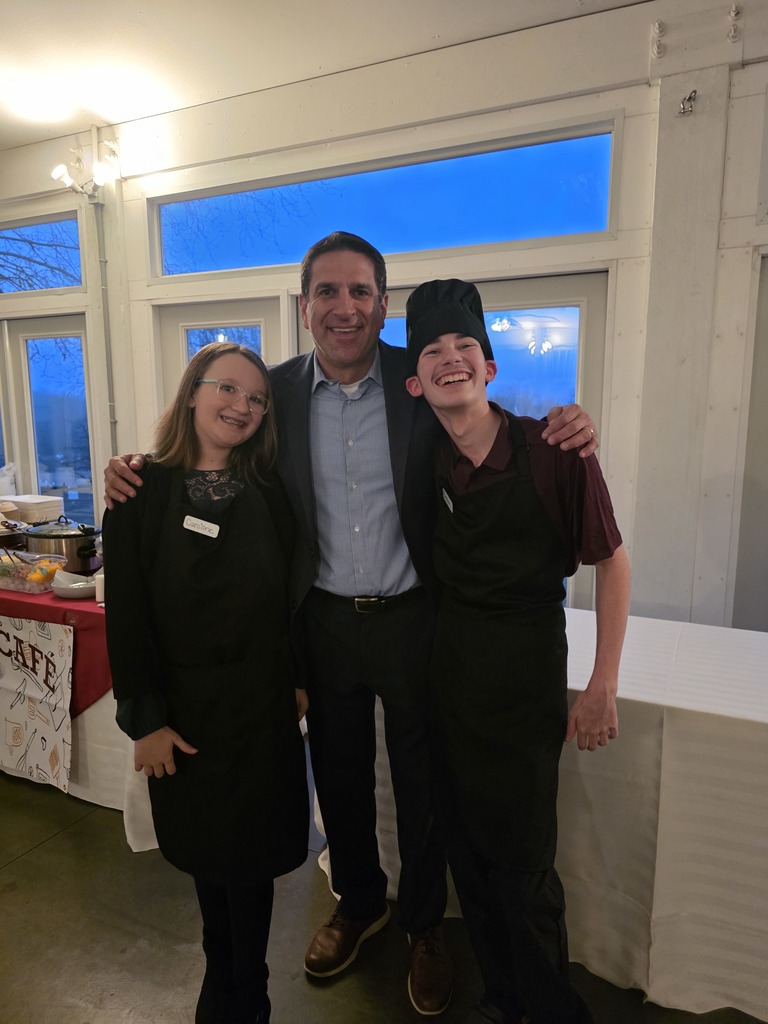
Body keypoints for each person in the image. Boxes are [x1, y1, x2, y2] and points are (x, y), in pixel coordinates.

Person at [104, 231, 600, 1018]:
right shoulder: (273, 393)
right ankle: (359, 901)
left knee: (422, 781)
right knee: (339, 778)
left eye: (361, 292)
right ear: (305, 309)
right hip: (322, 621)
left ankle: (424, 924)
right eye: (327, 293)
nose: (345, 307)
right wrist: (135, 467)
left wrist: (560, 424)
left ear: (381, 305)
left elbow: (481, 409)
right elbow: (207, 448)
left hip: (415, 618)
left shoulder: (417, 375)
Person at [403, 279, 631, 1024]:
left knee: (525, 867)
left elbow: (612, 562)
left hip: (526, 673)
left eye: (466, 345)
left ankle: (550, 1009)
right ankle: (503, 998)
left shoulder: (557, 451)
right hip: (448, 674)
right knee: (465, 853)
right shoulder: (427, 460)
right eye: (433, 350)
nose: (451, 358)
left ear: (491, 367)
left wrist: (602, 684)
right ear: (416, 381)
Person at [102, 342, 309, 1024]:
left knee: (251, 865)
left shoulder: (273, 489)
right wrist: (146, 719)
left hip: (262, 711)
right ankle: (223, 974)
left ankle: (246, 992)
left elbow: (298, 593)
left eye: (257, 398)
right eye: (228, 389)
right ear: (192, 392)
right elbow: (127, 615)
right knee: (209, 861)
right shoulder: (138, 492)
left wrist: (300, 680)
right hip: (184, 717)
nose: (242, 406)